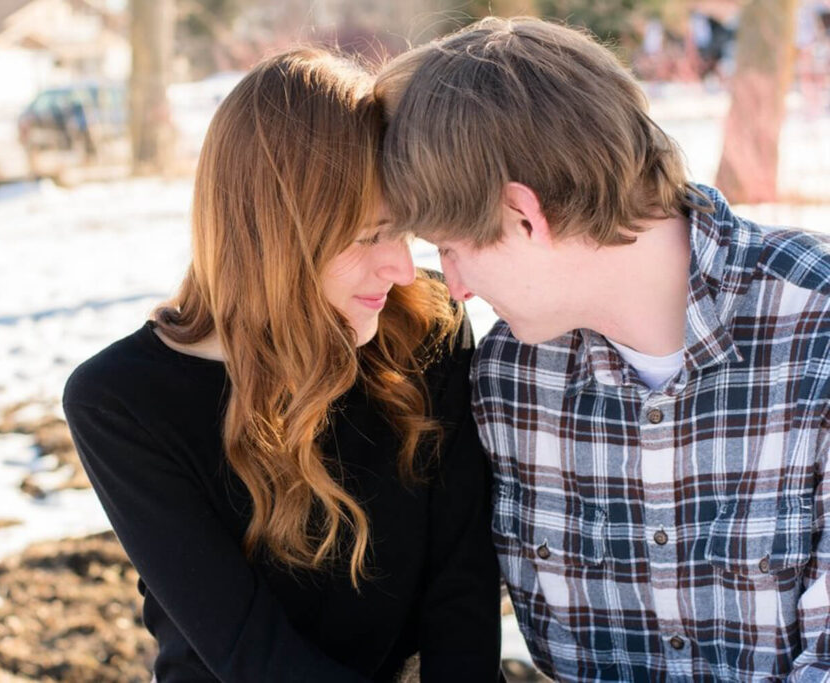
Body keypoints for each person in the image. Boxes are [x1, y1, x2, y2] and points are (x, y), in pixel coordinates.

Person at [376, 16, 830, 682]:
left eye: (450, 248)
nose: (458, 288)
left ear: (524, 216)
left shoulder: (814, 329)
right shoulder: (508, 380)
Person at [63, 48, 500, 683]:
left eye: (404, 231)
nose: (403, 268)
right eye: (368, 236)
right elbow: (252, 653)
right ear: (273, 235)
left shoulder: (425, 328)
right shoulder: (124, 401)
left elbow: (461, 593)